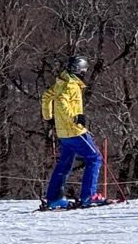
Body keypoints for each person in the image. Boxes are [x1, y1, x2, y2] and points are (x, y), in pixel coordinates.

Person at [40, 54, 105, 209]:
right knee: (95, 158)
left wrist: (49, 116)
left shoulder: (61, 81)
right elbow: (62, 101)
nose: (85, 73)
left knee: (64, 163)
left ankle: (54, 198)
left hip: (63, 131)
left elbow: (46, 96)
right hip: (74, 130)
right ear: (79, 70)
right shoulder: (70, 85)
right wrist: (75, 117)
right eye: (84, 70)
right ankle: (88, 196)